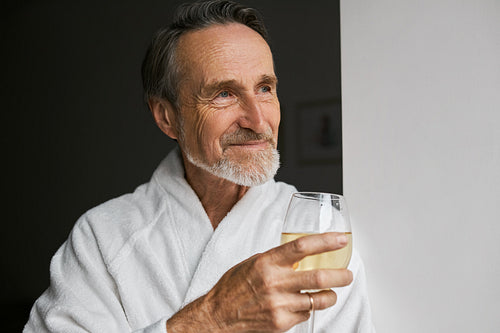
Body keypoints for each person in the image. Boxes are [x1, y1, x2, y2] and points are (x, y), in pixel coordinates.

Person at [24, 1, 374, 332]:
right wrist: (212, 319)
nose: (257, 119)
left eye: (265, 88)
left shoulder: (318, 230)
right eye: (224, 93)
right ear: (167, 117)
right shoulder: (101, 237)